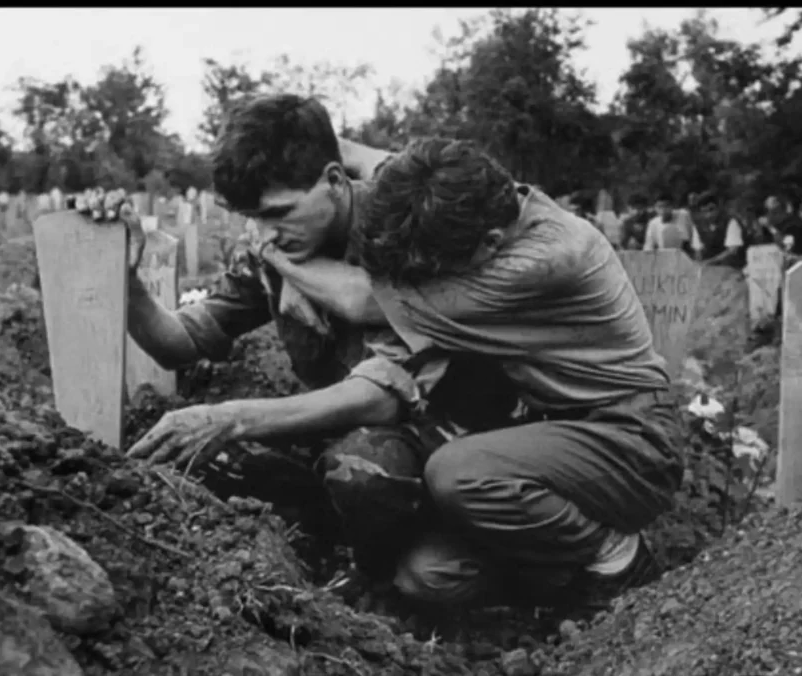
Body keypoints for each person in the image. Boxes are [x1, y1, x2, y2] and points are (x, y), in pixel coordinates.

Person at [260, 138, 684, 607]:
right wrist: (285, 168)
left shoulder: (536, 264)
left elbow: (358, 300)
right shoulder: (473, 201)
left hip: (629, 441)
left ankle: (616, 557)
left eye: (436, 270)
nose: (426, 277)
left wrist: (274, 255)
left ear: (490, 245)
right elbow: (361, 154)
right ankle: (549, 576)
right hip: (551, 432)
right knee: (429, 576)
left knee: (459, 473)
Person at [115, 94, 518, 586]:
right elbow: (179, 342)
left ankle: (381, 582)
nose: (266, 234)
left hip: (449, 438)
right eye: (253, 218)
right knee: (202, 455)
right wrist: (127, 278)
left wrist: (231, 417)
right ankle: (325, 547)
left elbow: (381, 399)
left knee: (364, 468)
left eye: (279, 212)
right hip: (341, 429)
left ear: (333, 180)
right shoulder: (272, 242)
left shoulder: (407, 227)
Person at [691, 192, 746, 268]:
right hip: (709, 271)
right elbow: (698, 251)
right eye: (704, 211)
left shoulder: (730, 222)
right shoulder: (698, 226)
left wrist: (709, 262)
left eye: (711, 210)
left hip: (732, 269)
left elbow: (732, 251)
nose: (709, 214)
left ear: (718, 208)